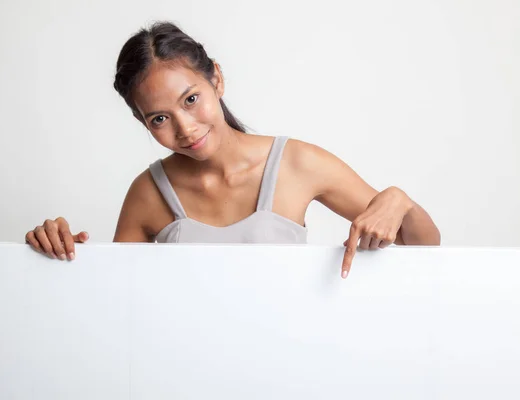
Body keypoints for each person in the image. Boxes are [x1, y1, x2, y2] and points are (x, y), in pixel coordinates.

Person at [25, 21, 441, 279]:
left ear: (216, 80)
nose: (185, 128)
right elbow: (116, 301)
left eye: (190, 99)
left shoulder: (297, 163)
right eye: (159, 118)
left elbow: (426, 252)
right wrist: (56, 250)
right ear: (143, 123)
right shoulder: (147, 194)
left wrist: (400, 203)